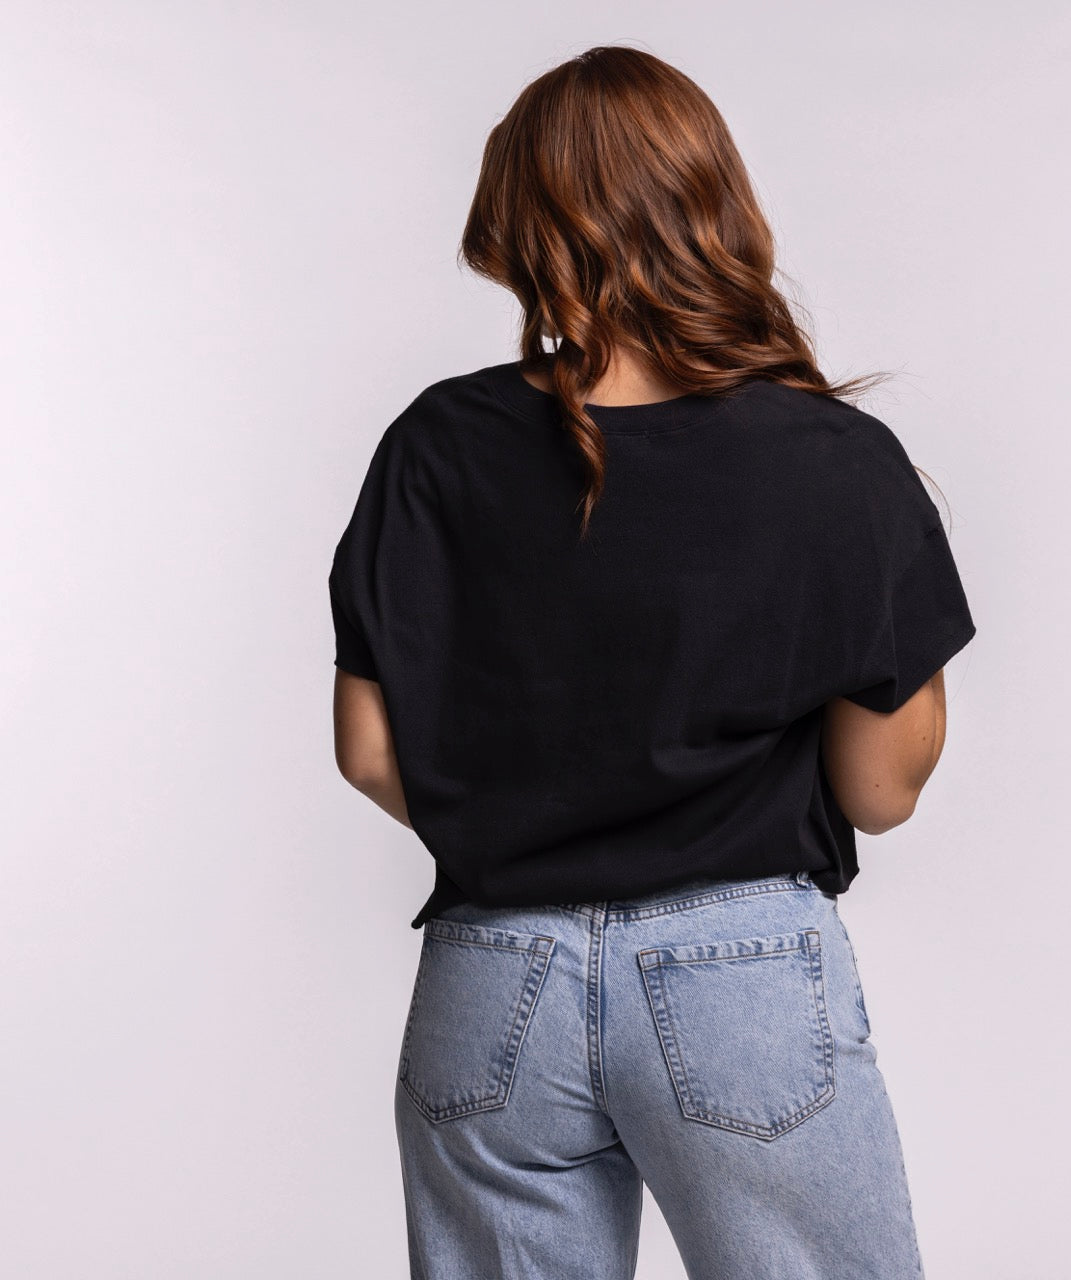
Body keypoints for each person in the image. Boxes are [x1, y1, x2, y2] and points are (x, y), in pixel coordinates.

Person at [328, 44, 976, 1280]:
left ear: (516, 223)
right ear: (713, 206)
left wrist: (521, 827)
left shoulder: (433, 443)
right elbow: (878, 792)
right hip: (739, 985)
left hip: (487, 977)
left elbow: (367, 750)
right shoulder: (835, 460)